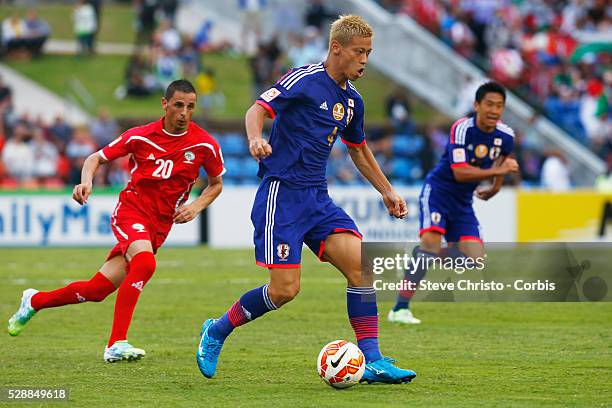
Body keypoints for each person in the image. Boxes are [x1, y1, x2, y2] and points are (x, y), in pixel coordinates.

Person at [196, 15, 417, 385]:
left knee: (362, 268)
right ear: (336, 48)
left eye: (369, 53)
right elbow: (257, 110)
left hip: (317, 197)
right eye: (359, 52)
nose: (364, 60)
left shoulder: (352, 101)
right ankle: (217, 331)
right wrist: (254, 138)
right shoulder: (305, 79)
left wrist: (387, 190)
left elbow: (359, 150)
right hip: (281, 194)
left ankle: (374, 359)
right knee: (285, 290)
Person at [7, 80, 226, 363]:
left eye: (190, 107)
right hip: (132, 211)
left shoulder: (204, 144)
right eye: (179, 105)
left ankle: (34, 301)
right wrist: (85, 182)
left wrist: (196, 206)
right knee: (145, 263)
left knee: (96, 290)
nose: (184, 112)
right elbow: (94, 158)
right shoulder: (140, 136)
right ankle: (115, 343)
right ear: (165, 104)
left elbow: (216, 184)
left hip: (159, 226)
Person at [388, 81, 519, 325]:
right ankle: (399, 308)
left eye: (499, 106)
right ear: (477, 105)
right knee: (430, 245)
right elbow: (460, 172)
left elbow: (502, 161)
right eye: (489, 104)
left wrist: (495, 187)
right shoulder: (462, 129)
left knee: (475, 259)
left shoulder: (506, 136)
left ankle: (423, 254)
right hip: (438, 192)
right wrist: (497, 171)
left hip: (462, 203)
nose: (494, 110)